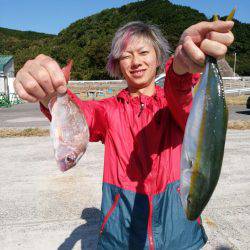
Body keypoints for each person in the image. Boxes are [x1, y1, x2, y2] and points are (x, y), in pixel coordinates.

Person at [14, 19, 234, 249]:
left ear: (158, 58)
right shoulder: (108, 110)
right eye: (126, 55)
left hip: (179, 235)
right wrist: (49, 93)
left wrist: (181, 68)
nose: (136, 61)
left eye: (143, 52)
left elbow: (183, 97)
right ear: (117, 64)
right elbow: (78, 116)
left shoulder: (174, 107)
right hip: (121, 236)